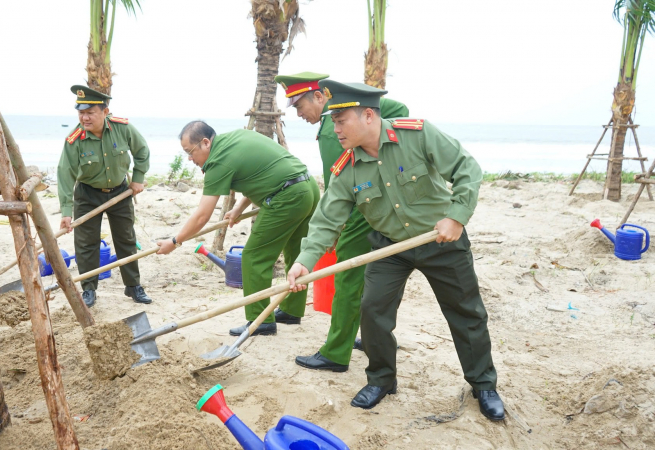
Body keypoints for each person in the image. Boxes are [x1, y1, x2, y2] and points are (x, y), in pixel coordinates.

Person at [286, 80, 504, 421]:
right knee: (373, 312)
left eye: (341, 121)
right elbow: (326, 220)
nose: (335, 128)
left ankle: (483, 384)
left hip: (441, 239)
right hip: (390, 247)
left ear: (368, 115)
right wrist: (304, 262)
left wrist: (456, 217)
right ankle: (382, 380)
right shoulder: (347, 168)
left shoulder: (417, 135)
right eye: (333, 120)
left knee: (466, 313)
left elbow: (467, 169)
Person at [274, 71, 408, 373]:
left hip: (362, 208)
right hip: (383, 204)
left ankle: (336, 353)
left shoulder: (328, 132)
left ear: (320, 97)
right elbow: (399, 111)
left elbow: (339, 187)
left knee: (349, 277)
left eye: (299, 106)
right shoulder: (341, 121)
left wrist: (336, 227)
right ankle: (372, 336)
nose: (299, 114)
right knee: (377, 275)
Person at [156, 121, 319, 336]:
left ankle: (260, 321)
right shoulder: (234, 139)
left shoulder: (217, 161)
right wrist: (238, 208)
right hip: (308, 188)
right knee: (295, 252)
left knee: (254, 257)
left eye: (190, 152)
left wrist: (175, 241)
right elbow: (259, 173)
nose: (189, 158)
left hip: (287, 198)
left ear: (206, 143)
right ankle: (291, 310)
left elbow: (202, 215)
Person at [57, 85, 152, 307]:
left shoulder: (123, 128)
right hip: (88, 194)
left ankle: (133, 286)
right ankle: (89, 288)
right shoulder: (75, 139)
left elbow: (142, 151)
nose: (84, 117)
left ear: (105, 112)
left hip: (120, 192)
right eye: (81, 112)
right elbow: (65, 174)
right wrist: (66, 211)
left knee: (126, 239)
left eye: (90, 112)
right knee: (86, 243)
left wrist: (137, 178)